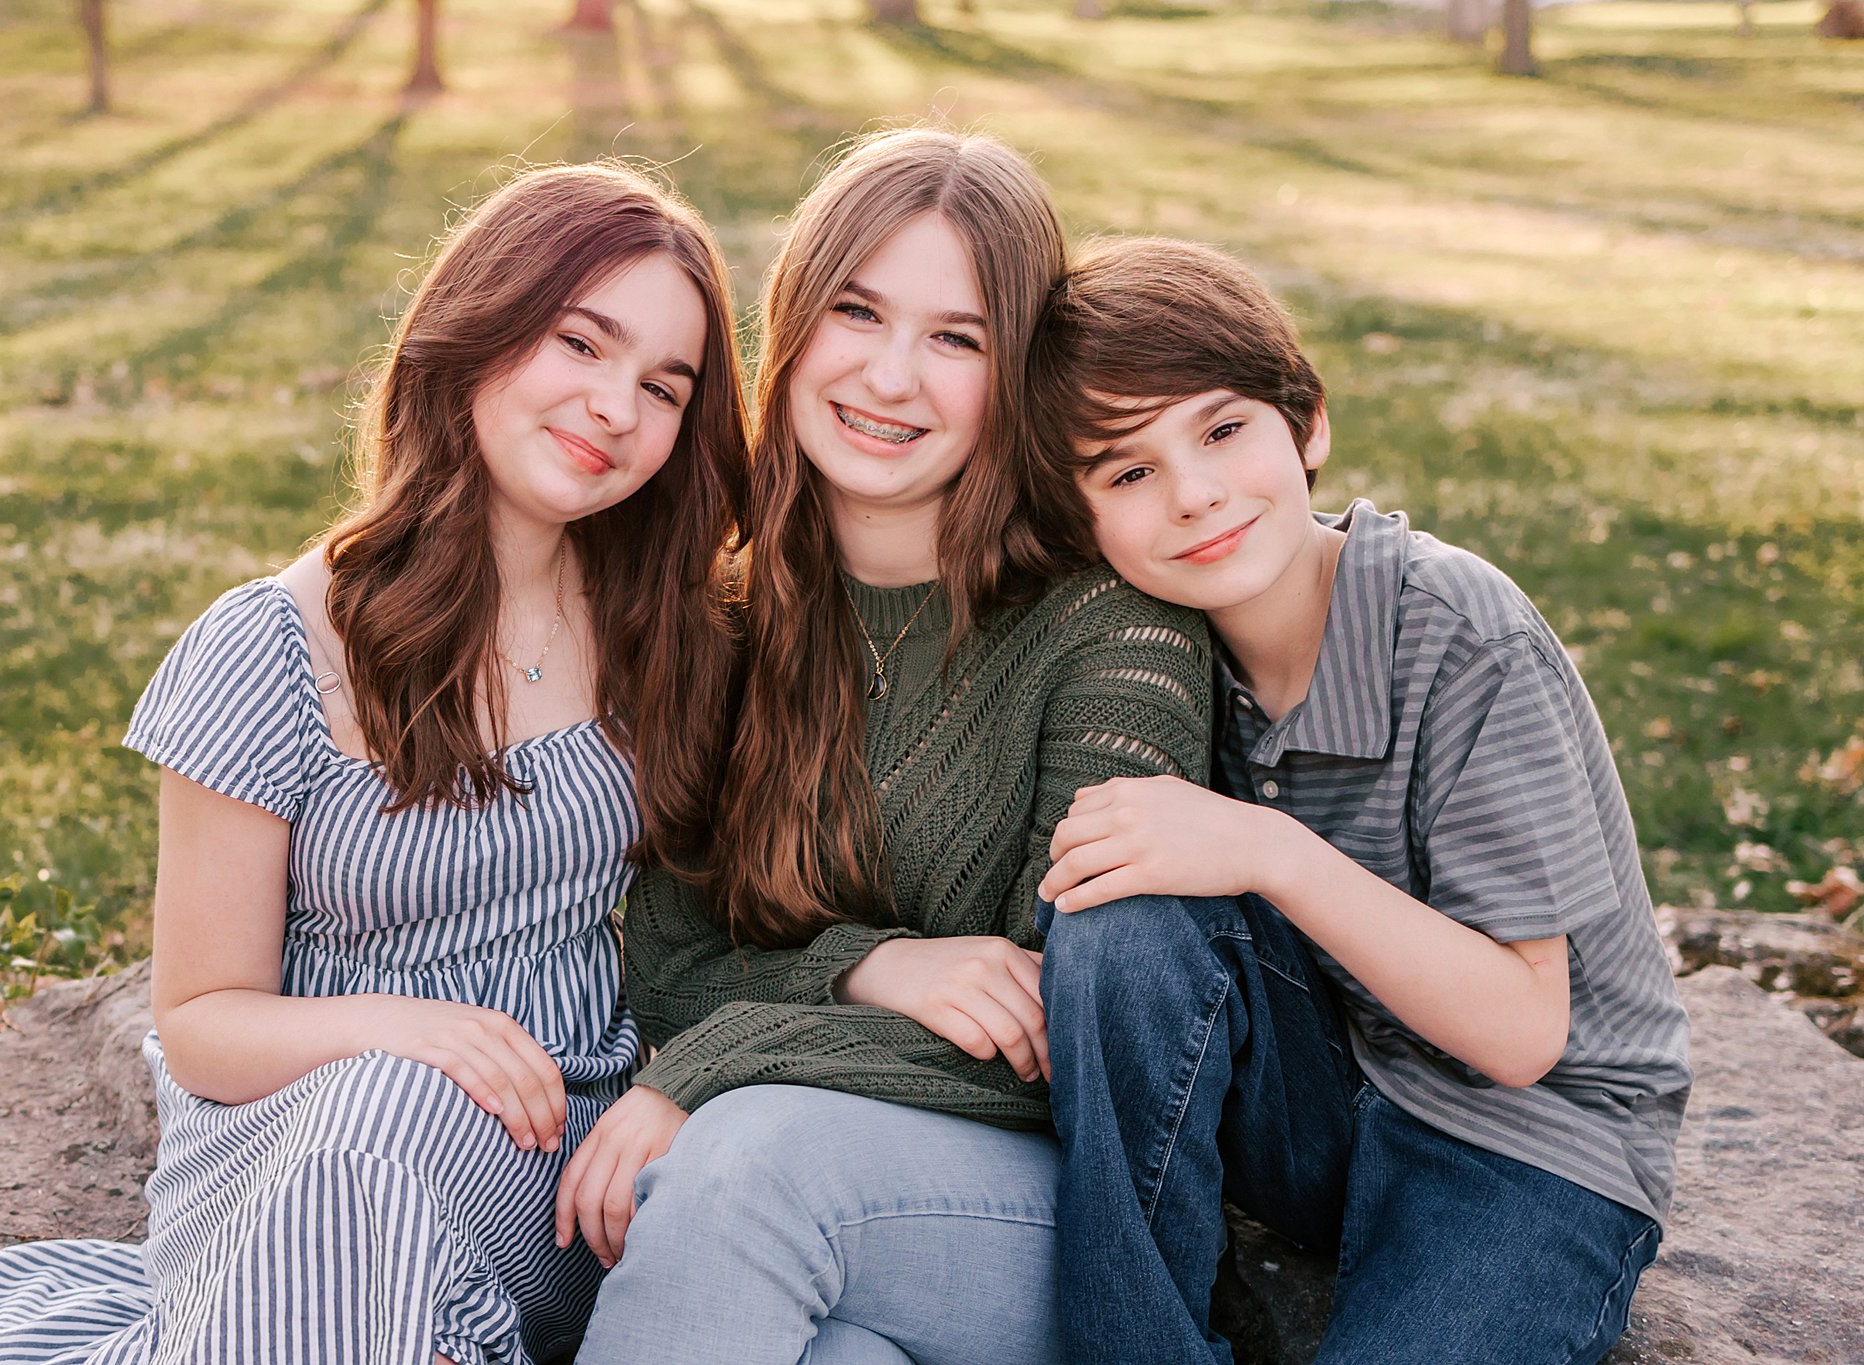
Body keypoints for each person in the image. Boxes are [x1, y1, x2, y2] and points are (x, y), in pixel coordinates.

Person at [0, 161, 748, 1365]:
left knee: (391, 1141)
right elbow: (203, 1020)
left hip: (559, 1162)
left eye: (662, 386)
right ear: (478, 328)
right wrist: (408, 1032)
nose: (615, 407)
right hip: (286, 1146)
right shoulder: (266, 647)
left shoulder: (670, 633)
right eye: (581, 344)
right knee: (372, 1128)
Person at [553, 127, 1213, 1365]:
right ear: (793, 324)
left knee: (746, 1166)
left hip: (1046, 1211)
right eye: (857, 312)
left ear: (1013, 375)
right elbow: (673, 966)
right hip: (822, 1220)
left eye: (955, 339)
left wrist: (715, 1064)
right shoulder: (722, 617)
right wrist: (874, 968)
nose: (890, 377)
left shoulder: (1112, 638)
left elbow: (1068, 1040)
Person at [1028, 235, 1694, 1365]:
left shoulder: (1453, 629)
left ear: (1308, 424)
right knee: (1116, 909)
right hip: (1326, 1112)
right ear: (1079, 519)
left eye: (1223, 429)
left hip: (1527, 1143)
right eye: (1125, 471)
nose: (1192, 495)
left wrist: (1267, 847)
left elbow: (1522, 1035)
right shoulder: (1150, 648)